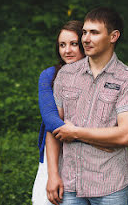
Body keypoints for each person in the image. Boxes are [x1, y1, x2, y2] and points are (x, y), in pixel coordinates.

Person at [50, 7, 128, 205]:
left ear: (113, 36)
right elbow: (54, 130)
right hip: (70, 184)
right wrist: (52, 175)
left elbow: (126, 135)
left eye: (94, 32)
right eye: (84, 32)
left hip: (110, 185)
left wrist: (75, 133)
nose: (86, 39)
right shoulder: (66, 75)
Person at [32, 20, 85, 205]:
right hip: (56, 146)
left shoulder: (96, 76)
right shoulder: (49, 75)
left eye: (73, 44)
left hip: (88, 154)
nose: (67, 50)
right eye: (62, 45)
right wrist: (78, 133)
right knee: (45, 200)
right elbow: (50, 117)